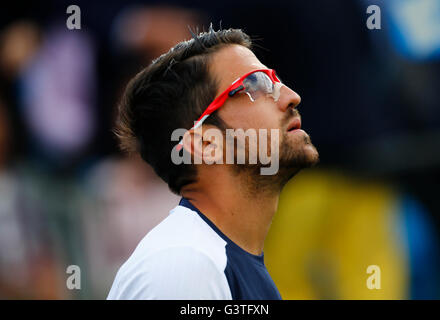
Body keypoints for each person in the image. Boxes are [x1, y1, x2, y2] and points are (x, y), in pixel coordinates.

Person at [107, 27, 319, 300]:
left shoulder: (210, 261)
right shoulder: (186, 266)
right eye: (255, 84)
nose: (291, 96)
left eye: (275, 81)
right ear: (206, 144)